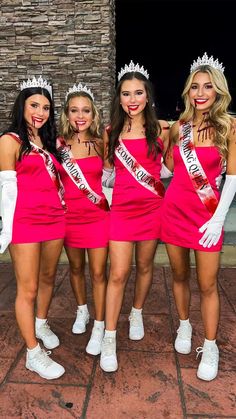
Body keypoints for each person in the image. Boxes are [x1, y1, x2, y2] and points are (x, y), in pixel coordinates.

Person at [161, 52, 236, 381]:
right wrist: (160, 136)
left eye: (207, 87)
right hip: (174, 210)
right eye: (195, 87)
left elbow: (232, 178)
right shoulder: (180, 127)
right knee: (179, 276)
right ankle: (185, 325)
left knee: (207, 284)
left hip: (208, 216)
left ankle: (210, 344)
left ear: (218, 91)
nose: (201, 93)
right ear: (188, 92)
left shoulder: (230, 126)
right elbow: (169, 169)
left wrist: (219, 218)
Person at [99, 60, 170, 372]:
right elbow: (108, 175)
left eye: (137, 92)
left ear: (147, 95)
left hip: (152, 210)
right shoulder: (110, 132)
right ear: (119, 98)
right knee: (118, 273)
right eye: (125, 94)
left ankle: (137, 311)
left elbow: (168, 169)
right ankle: (110, 337)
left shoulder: (163, 129)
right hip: (122, 212)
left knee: (144, 266)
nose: (132, 99)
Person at [0, 76, 66, 380]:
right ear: (22, 105)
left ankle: (41, 322)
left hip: (55, 218)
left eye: (45, 107)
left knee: (49, 277)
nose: (40, 112)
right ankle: (32, 352)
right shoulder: (10, 141)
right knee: (27, 288)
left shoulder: (50, 141)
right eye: (34, 105)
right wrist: (6, 230)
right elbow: (6, 190)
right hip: (24, 222)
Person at [57, 84, 109, 356]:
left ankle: (100, 324)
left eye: (85, 110)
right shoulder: (58, 145)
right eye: (74, 110)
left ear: (93, 113)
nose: (80, 116)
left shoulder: (102, 142)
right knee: (76, 269)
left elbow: (114, 175)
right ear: (67, 113)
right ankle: (82, 311)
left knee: (99, 273)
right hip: (70, 218)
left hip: (97, 216)